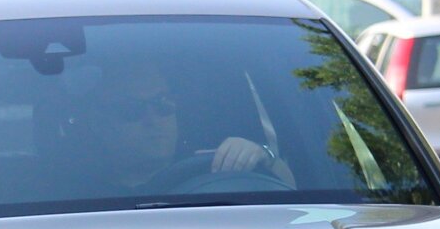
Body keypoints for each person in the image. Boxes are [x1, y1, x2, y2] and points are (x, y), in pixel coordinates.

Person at [79, 57, 291, 194]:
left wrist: (264, 158)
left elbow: (300, 200)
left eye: (162, 104)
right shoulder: (75, 196)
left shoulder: (220, 169)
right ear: (99, 123)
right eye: (131, 109)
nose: (153, 119)